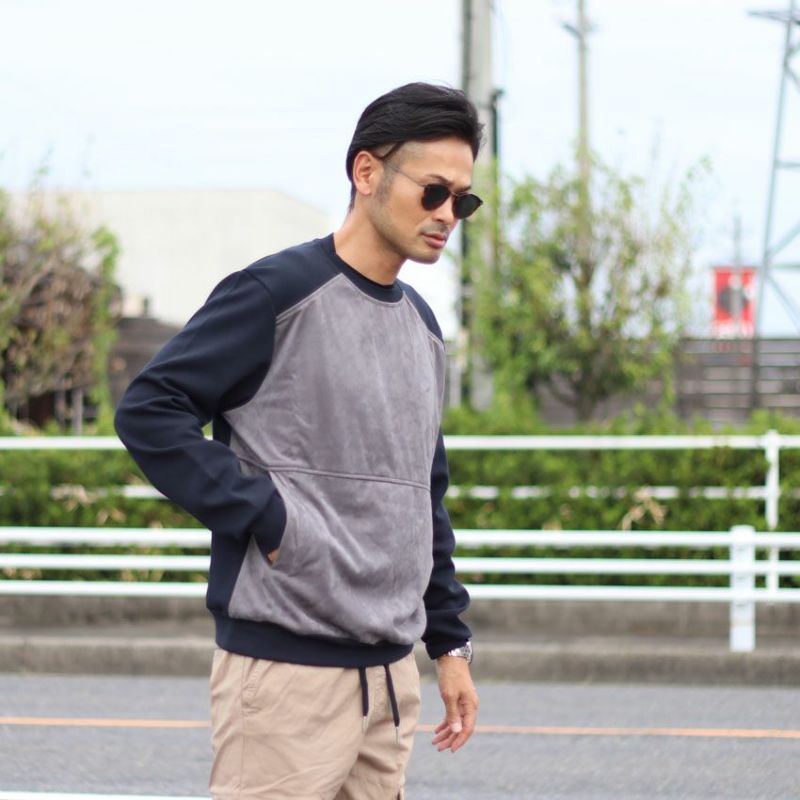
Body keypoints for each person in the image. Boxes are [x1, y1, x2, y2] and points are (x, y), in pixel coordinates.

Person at [114, 81, 484, 800]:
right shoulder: (276, 293)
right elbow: (151, 410)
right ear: (367, 172)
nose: (447, 215)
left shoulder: (422, 327)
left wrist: (449, 641)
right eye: (434, 191)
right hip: (286, 675)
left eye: (462, 201)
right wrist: (268, 516)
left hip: (389, 677)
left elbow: (422, 494)